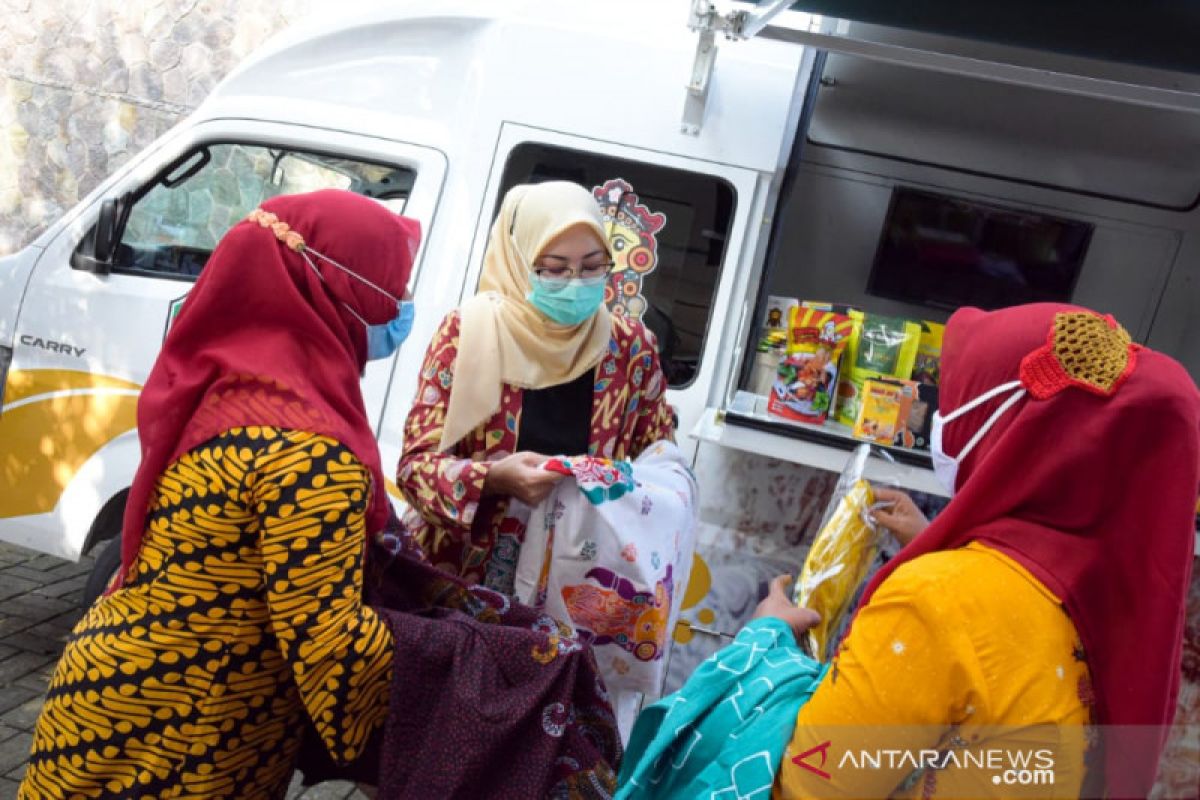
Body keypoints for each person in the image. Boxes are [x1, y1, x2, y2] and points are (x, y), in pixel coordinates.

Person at [623, 303, 1200, 799]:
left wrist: (764, 645)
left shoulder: (939, 600)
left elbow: (809, 782)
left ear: (1009, 433)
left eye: (955, 401)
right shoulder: (1105, 604)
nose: (940, 422)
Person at [19, 190, 421, 800]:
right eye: (395, 287)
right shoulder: (310, 452)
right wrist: (482, 673)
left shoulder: (234, 387)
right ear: (341, 289)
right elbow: (328, 647)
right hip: (181, 734)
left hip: (111, 693)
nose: (405, 307)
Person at [397, 180, 675, 589]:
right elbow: (414, 469)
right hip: (462, 580)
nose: (576, 282)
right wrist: (492, 479)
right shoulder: (468, 333)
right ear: (519, 261)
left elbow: (660, 464)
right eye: (555, 269)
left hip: (572, 582)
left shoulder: (630, 348)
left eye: (593, 266)